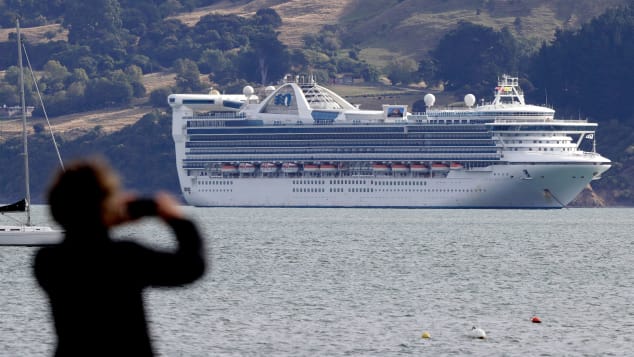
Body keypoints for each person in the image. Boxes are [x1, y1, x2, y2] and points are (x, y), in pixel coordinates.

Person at [33, 158, 206, 356]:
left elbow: (84, 243)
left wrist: (102, 221)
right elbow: (192, 266)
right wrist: (177, 220)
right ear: (105, 205)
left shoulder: (46, 261)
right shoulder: (127, 257)